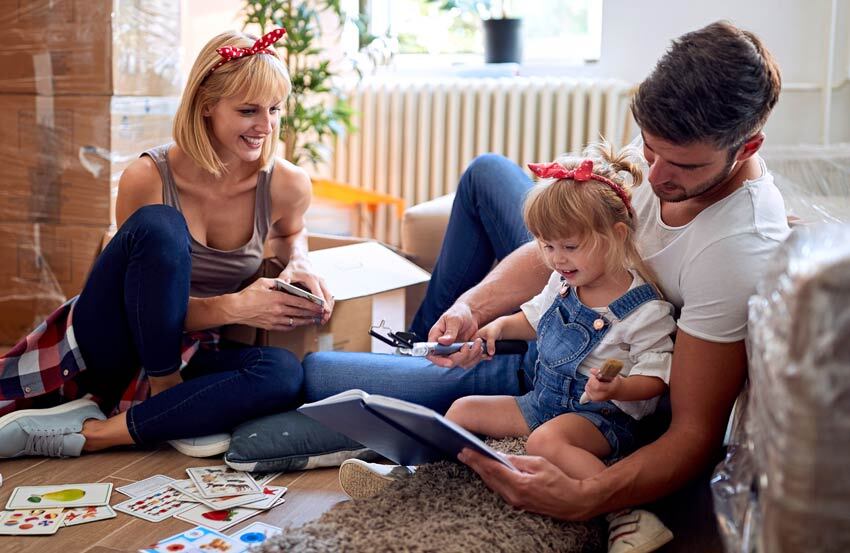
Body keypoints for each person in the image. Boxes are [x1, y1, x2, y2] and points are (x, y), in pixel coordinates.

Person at [308, 19, 788, 541]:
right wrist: (473, 310)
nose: (653, 177)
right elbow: (572, 245)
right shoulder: (674, 141)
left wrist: (594, 495)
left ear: (747, 146)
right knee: (487, 173)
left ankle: (418, 403)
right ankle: (427, 346)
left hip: (576, 391)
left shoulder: (737, 250)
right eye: (649, 150)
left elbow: (694, 432)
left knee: (319, 377)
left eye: (681, 166)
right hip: (553, 316)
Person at [0, 28, 333, 459]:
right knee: (160, 225)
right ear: (207, 105)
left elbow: (290, 232)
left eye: (274, 109)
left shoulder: (286, 184)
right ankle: (167, 396)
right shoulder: (147, 177)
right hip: (116, 337)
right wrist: (232, 307)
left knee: (284, 373)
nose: (266, 127)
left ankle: (93, 433)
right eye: (249, 110)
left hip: (193, 345)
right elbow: (137, 300)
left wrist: (300, 261)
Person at [444, 143, 676, 551]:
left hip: (600, 418)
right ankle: (426, 474)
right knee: (462, 411)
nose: (556, 259)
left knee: (545, 442)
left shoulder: (644, 309)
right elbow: (534, 320)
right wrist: (497, 327)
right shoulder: (564, 281)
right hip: (542, 403)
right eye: (547, 246)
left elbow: (656, 377)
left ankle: (627, 514)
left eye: (569, 247)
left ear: (615, 235)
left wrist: (619, 388)